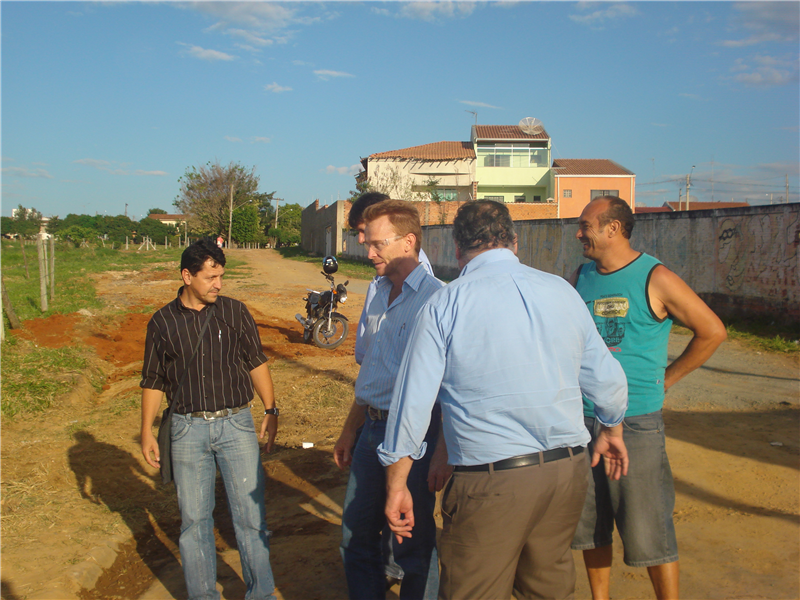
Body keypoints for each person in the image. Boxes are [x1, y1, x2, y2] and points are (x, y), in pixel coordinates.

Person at [379, 200, 630, 600]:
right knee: (548, 589)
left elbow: (412, 404)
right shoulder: (561, 292)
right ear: (514, 242)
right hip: (566, 472)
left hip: (491, 481)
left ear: (458, 250)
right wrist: (612, 428)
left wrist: (397, 483)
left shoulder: (446, 302)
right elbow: (609, 383)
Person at [569, 196, 727, 600]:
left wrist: (665, 380)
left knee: (648, 526)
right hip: (582, 421)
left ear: (613, 229)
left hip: (636, 423)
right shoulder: (580, 276)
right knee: (590, 525)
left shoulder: (654, 277)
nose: (579, 233)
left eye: (586, 225)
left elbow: (712, 331)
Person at [140, 238, 279, 600]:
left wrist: (270, 408)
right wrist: (146, 431)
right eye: (210, 277)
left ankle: (260, 594)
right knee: (194, 523)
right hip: (187, 430)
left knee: (250, 516)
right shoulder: (162, 323)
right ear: (187, 276)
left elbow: (255, 361)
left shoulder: (235, 312)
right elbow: (153, 381)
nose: (218, 284)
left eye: (221, 276)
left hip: (236, 425)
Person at [334, 200, 446, 600]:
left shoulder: (436, 299)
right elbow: (371, 371)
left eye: (378, 244)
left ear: (408, 242)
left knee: (412, 544)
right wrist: (351, 429)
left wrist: (441, 452)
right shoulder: (377, 291)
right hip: (371, 431)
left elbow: (449, 386)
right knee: (356, 537)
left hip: (416, 434)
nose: (368, 252)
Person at [349, 192, 434, 365]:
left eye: (363, 230)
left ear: (408, 242)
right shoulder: (387, 281)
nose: (361, 239)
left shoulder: (429, 293)